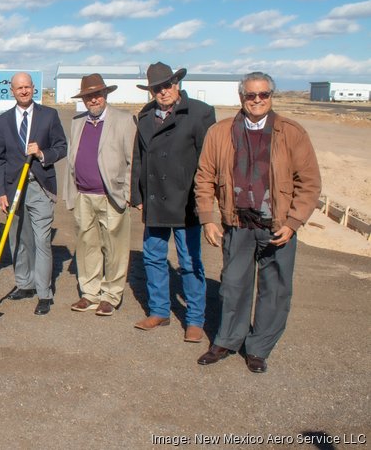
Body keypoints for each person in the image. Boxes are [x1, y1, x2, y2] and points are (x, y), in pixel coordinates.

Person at [194, 72, 321, 373]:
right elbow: (204, 178)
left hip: (277, 226)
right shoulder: (220, 132)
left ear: (271, 97)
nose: (257, 101)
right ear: (241, 98)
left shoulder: (291, 132)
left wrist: (293, 222)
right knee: (233, 285)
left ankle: (259, 347)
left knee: (274, 289)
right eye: (251, 95)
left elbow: (310, 183)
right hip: (237, 223)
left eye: (264, 94)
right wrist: (208, 218)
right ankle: (227, 340)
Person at [130, 62, 215, 341]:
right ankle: (159, 311)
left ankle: (194, 319)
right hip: (155, 198)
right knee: (153, 257)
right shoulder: (144, 118)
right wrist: (138, 195)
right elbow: (139, 160)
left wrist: (207, 201)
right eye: (157, 88)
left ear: (176, 84)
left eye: (167, 85)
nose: (163, 91)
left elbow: (208, 160)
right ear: (151, 91)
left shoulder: (200, 113)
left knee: (190, 262)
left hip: (186, 200)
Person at [62, 74, 137, 317]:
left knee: (114, 247)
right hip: (84, 194)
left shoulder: (124, 120)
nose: (93, 100)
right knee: (86, 246)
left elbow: (132, 160)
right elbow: (72, 160)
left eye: (97, 94)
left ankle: (111, 295)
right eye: (88, 96)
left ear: (105, 95)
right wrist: (70, 192)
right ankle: (90, 293)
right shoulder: (77, 121)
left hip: (111, 195)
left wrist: (127, 193)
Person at [0, 72, 67, 315]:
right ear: (12, 91)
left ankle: (44, 292)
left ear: (33, 88)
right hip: (14, 188)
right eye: (19, 88)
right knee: (18, 239)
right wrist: (1, 193)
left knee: (42, 240)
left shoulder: (49, 115)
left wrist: (43, 153)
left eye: (27, 87)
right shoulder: (3, 120)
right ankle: (24, 283)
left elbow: (61, 147)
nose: (24, 91)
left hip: (39, 185)